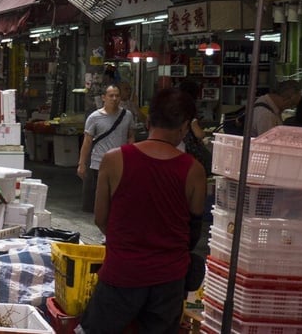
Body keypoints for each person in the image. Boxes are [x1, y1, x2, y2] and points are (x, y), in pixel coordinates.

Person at [80, 88, 207, 333]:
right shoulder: (194, 171)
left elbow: (100, 219)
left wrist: (125, 241)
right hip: (168, 282)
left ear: (148, 122)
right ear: (183, 128)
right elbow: (193, 232)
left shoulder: (113, 159)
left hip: (121, 274)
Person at [78, 84, 136, 213]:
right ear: (104, 97)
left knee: (118, 197)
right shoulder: (94, 117)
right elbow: (87, 142)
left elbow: (131, 137)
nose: (114, 98)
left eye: (117, 95)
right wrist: (82, 163)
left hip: (121, 163)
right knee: (101, 199)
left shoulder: (127, 115)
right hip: (99, 163)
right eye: (111, 96)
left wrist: (132, 158)